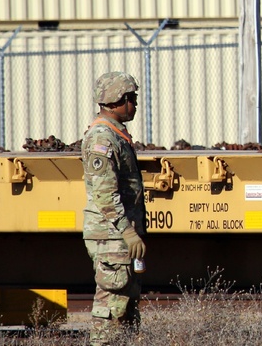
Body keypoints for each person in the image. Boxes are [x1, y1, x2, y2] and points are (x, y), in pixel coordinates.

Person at [81, 71, 147, 346]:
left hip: (119, 235)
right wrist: (127, 231)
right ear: (114, 101)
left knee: (126, 309)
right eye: (130, 98)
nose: (134, 104)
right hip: (112, 236)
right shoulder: (103, 139)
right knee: (111, 306)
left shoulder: (117, 135)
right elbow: (104, 193)